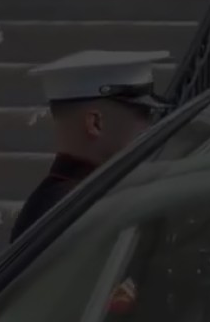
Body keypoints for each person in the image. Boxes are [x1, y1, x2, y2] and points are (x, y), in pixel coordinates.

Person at [9, 50, 169, 242]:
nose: (150, 126)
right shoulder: (68, 211)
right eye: (144, 114)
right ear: (95, 123)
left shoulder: (81, 197)